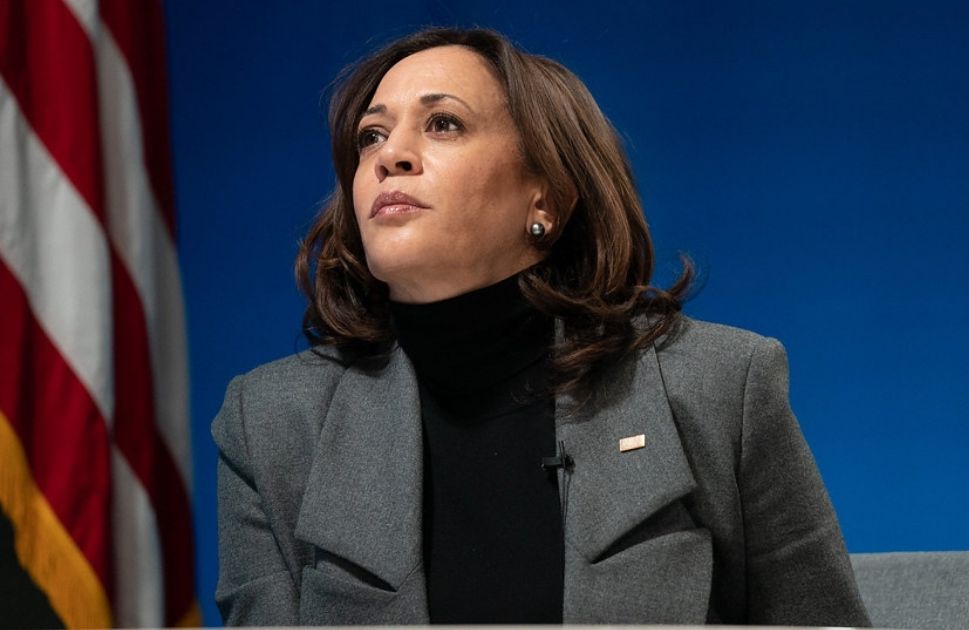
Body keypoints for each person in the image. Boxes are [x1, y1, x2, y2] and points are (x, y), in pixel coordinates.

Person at [212, 27, 870, 627]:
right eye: (370, 137)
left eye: (442, 124)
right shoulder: (271, 425)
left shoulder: (718, 386)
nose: (392, 157)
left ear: (546, 200)